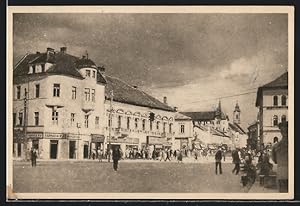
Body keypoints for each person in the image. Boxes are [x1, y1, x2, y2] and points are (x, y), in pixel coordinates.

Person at [272, 121, 288, 193]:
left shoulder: (276, 146)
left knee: (284, 194)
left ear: (281, 132)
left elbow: (275, 160)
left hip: (282, 173)